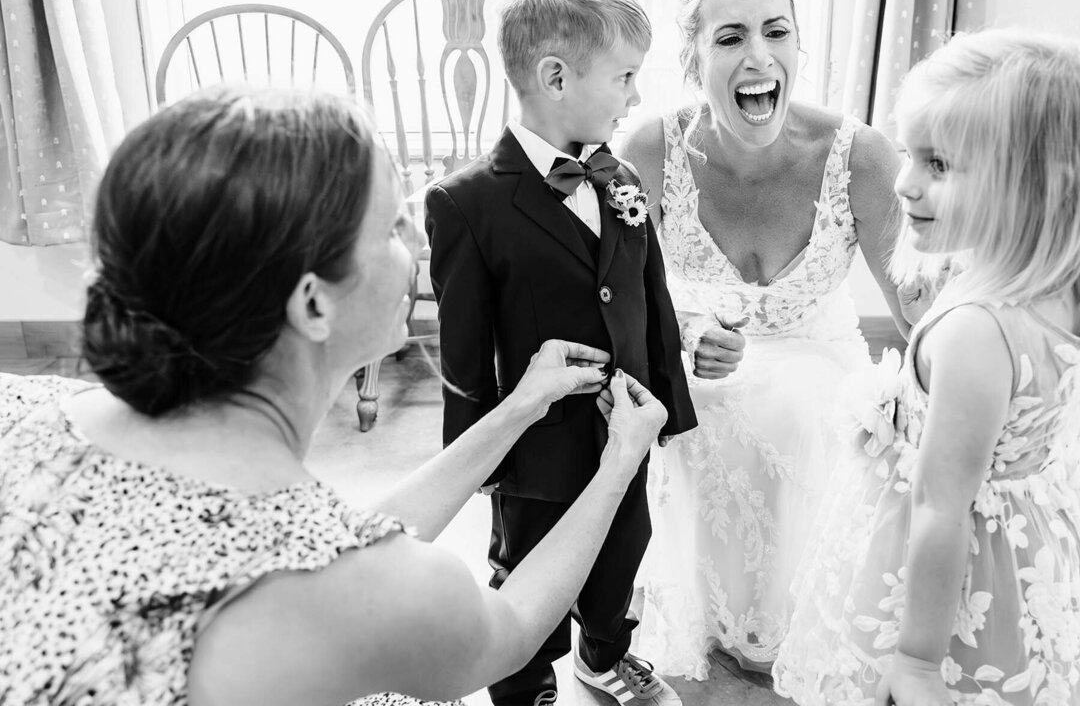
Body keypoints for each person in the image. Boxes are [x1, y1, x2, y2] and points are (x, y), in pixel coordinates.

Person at [0, 87, 671, 706]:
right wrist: (617, 467)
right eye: (388, 229)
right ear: (312, 302)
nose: (413, 238)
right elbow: (512, 629)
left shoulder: (25, 410)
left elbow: (330, 543)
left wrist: (521, 404)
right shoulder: (373, 594)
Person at [772, 29, 1080, 705]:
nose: (903, 182)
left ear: (1038, 185)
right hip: (1049, 536)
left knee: (966, 673)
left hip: (961, 572)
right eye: (908, 153)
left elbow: (940, 507)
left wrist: (919, 662)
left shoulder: (975, 333)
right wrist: (1040, 428)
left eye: (939, 165)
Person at [619, 0, 911, 679]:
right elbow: (620, 295)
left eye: (776, 32)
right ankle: (707, 612)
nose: (760, 57)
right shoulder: (651, 151)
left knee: (809, 411)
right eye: (730, 38)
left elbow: (917, 306)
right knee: (684, 413)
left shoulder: (861, 157)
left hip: (823, 366)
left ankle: (810, 617)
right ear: (691, 62)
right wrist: (684, 331)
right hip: (698, 370)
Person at [424, 0, 697, 706]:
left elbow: (651, 297)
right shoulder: (468, 202)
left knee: (620, 557)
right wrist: (476, 457)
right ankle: (525, 681)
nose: (636, 95)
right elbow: (463, 352)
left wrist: (669, 404)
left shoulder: (622, 181)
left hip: (625, 429)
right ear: (555, 76)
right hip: (536, 452)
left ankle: (604, 657)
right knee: (528, 570)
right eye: (626, 76)